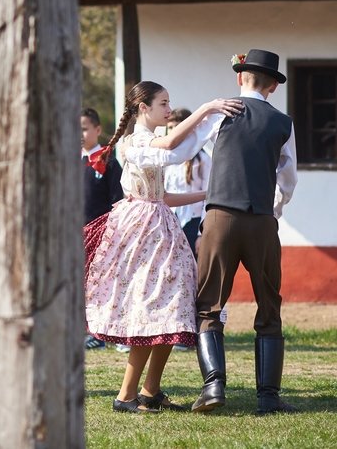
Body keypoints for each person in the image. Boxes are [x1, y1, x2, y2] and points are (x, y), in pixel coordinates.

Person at [83, 81, 242, 413]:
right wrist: (206, 109)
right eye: (163, 104)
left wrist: (208, 194)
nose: (169, 110)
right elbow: (173, 144)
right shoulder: (134, 143)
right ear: (144, 108)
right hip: (142, 230)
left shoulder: (150, 144)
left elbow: (164, 194)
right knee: (151, 310)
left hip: (160, 222)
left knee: (174, 308)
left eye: (170, 104)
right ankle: (125, 396)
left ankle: (149, 391)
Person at [190, 50, 298, 415]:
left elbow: (189, 149)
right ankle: (267, 397)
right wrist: (272, 212)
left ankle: (214, 386)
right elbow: (288, 178)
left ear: (241, 78)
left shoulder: (220, 113)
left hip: (220, 215)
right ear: (272, 85)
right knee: (269, 305)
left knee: (208, 306)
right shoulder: (283, 122)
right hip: (262, 220)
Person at [81, 107, 124, 350]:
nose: (80, 133)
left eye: (85, 128)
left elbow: (117, 200)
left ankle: (100, 333)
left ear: (98, 130)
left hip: (100, 234)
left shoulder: (108, 161)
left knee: (100, 284)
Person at [163, 108, 210, 259]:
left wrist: (201, 234)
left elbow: (209, 197)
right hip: (170, 223)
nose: (174, 132)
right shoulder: (165, 159)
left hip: (193, 223)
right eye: (170, 128)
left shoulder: (203, 160)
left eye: (178, 127)